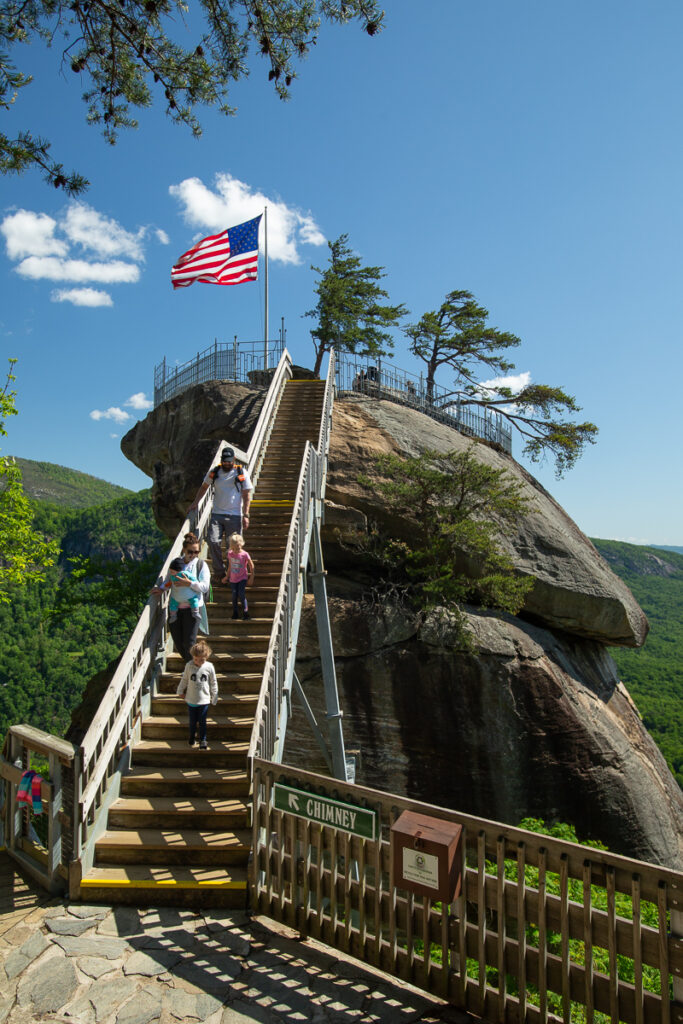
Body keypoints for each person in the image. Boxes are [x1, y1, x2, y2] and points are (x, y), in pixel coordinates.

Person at [190, 447, 253, 580]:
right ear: (221, 460)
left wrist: (246, 515)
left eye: (229, 461)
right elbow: (204, 487)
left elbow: (247, 495)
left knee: (233, 547)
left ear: (234, 460)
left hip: (235, 515)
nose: (227, 464)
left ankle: (233, 575)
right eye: (225, 461)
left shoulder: (241, 472)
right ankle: (219, 572)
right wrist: (195, 502)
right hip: (217, 514)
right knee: (213, 541)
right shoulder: (215, 472)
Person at [151, 532, 210, 662]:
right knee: (178, 642)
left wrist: (189, 584)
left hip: (193, 609)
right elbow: (169, 580)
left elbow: (205, 586)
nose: (193, 555)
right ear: (184, 549)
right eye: (190, 552)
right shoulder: (176, 563)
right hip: (176, 608)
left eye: (197, 552)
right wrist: (160, 589)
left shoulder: (200, 565)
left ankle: (192, 670)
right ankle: (191, 666)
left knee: (189, 642)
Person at [176, 640, 218, 750]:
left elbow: (213, 682)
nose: (198, 662)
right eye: (195, 659)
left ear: (206, 657)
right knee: (192, 721)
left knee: (202, 721)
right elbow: (184, 679)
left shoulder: (209, 667)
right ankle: (192, 736)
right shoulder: (189, 666)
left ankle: (203, 739)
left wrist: (214, 695)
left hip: (204, 700)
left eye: (201, 660)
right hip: (191, 700)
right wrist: (180, 691)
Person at [222, 533, 254, 620]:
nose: (237, 550)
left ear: (241, 545)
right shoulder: (230, 554)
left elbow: (251, 565)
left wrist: (251, 577)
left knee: (241, 593)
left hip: (242, 578)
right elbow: (230, 567)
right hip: (233, 579)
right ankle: (235, 613)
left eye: (238, 548)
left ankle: (246, 612)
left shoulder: (245, 554)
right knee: (234, 595)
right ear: (232, 547)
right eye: (235, 548)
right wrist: (227, 577)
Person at [164, 556, 200, 624]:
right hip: (177, 597)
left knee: (194, 600)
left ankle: (195, 613)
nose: (171, 573)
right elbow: (170, 582)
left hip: (187, 596)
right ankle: (173, 616)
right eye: (170, 571)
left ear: (178, 570)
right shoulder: (172, 576)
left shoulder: (185, 574)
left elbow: (195, 581)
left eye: (172, 571)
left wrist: (189, 582)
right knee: (173, 603)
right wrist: (165, 586)